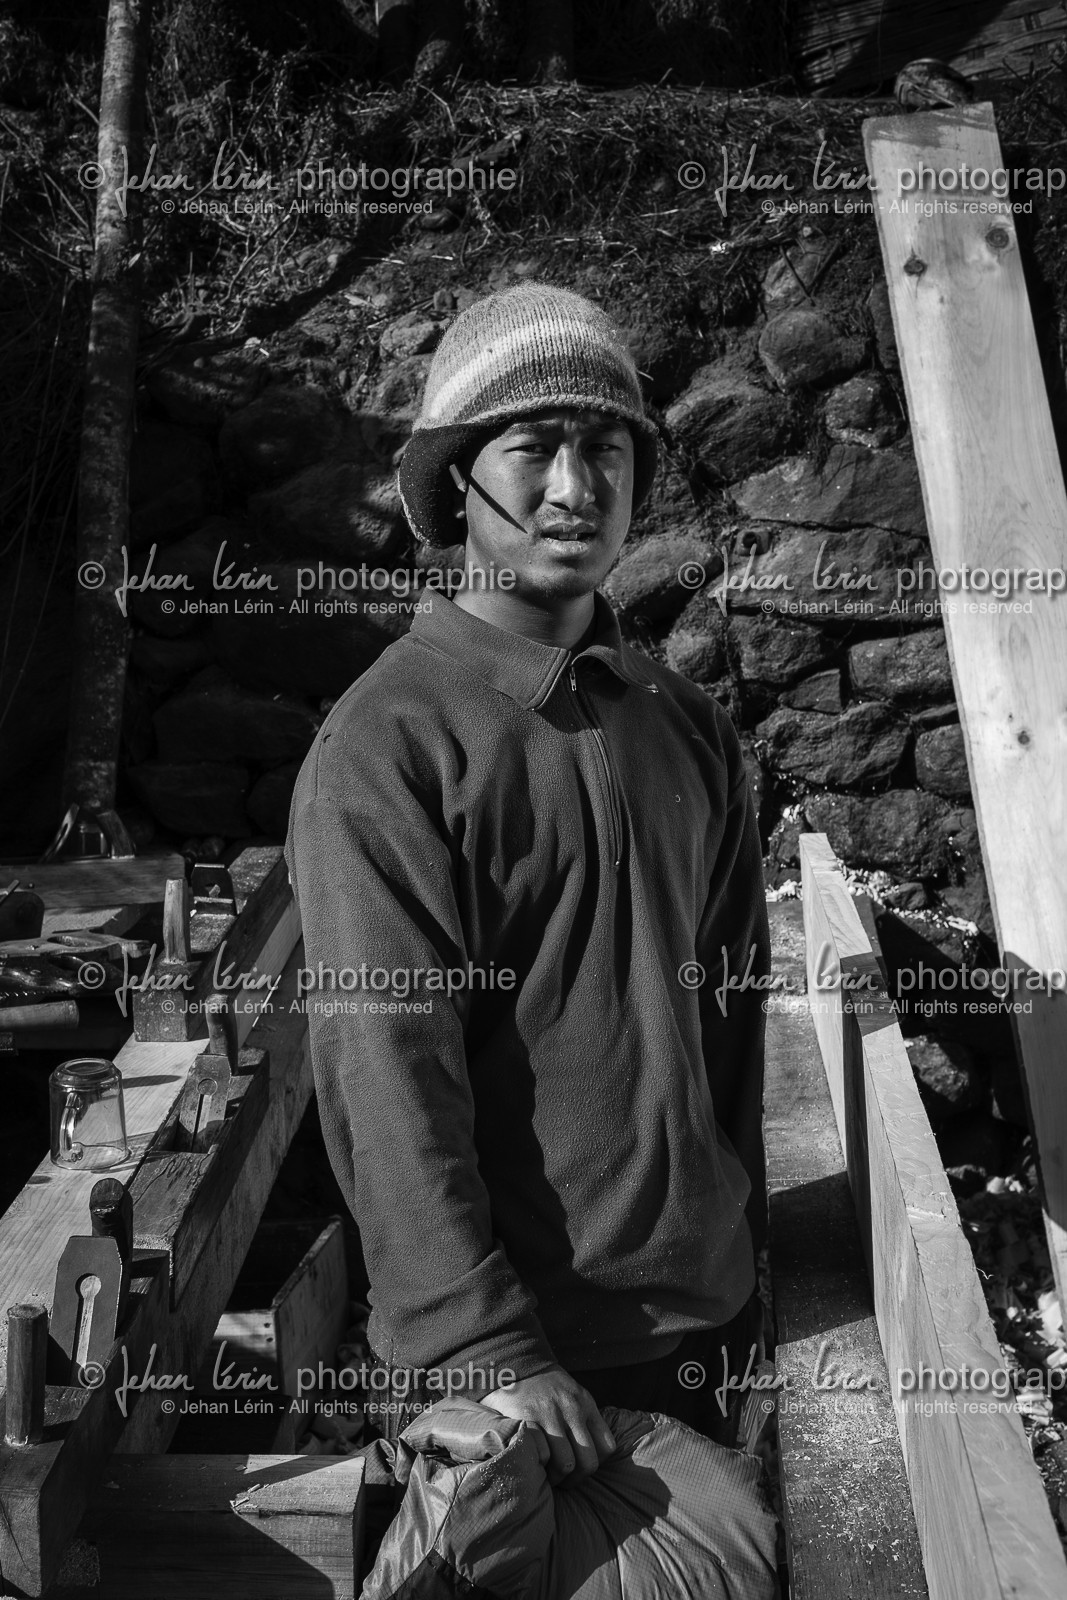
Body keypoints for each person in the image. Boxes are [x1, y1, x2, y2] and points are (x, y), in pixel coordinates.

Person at [285, 283, 770, 1488]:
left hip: (703, 1328)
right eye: (534, 447)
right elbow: (383, 1062)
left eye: (603, 446)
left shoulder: (683, 722)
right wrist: (478, 1344)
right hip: (518, 1379)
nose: (574, 486)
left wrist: (741, 1246)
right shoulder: (388, 743)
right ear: (457, 480)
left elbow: (730, 1014)